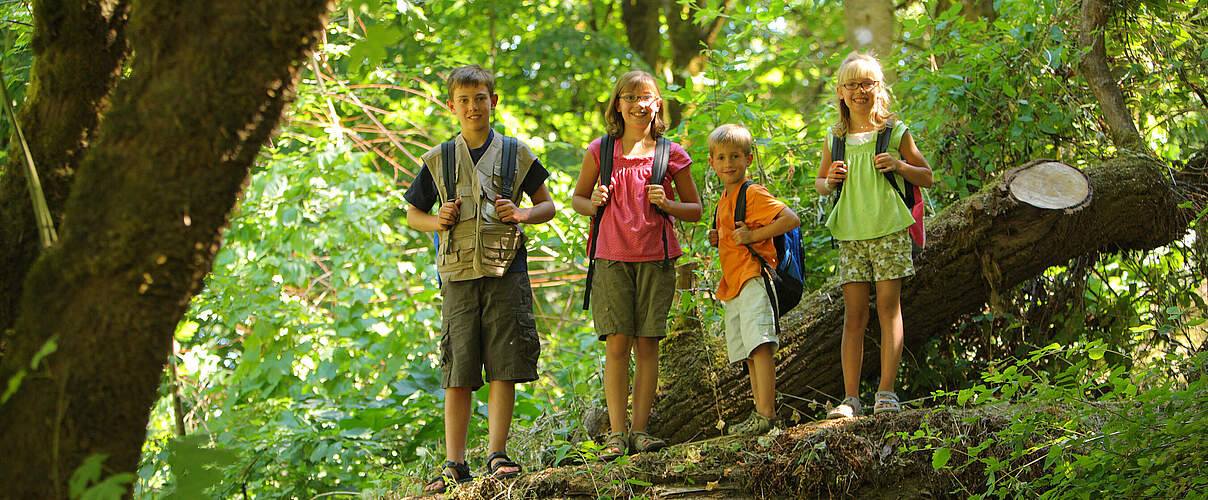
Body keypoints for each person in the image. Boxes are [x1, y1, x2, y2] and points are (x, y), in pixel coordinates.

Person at [404, 64, 555, 493]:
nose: (473, 107)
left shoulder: (515, 153)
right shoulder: (439, 159)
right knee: (459, 367)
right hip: (457, 276)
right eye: (464, 100)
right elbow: (413, 213)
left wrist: (522, 213)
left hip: (507, 271)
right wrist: (436, 220)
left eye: (480, 99)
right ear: (451, 106)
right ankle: (454, 462)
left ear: (493, 101)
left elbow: (547, 206)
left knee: (505, 364)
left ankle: (497, 453)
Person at [571, 70, 702, 458]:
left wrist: (668, 203)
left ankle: (640, 431)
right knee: (617, 343)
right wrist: (593, 202)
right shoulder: (601, 151)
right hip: (610, 258)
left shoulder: (670, 153)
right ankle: (616, 434)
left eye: (646, 97)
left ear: (657, 104)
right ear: (617, 105)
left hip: (656, 260)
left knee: (647, 344)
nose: (638, 104)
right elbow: (577, 200)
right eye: (629, 97)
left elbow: (695, 210)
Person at [814, 52, 933, 418]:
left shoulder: (894, 132)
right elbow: (820, 184)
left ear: (879, 88)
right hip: (850, 233)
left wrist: (898, 165)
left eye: (866, 83)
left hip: (889, 231)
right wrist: (829, 180)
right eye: (851, 84)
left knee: (888, 309)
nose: (859, 91)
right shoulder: (835, 137)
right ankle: (850, 399)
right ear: (840, 92)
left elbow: (926, 175)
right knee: (854, 316)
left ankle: (886, 392)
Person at [705, 124, 800, 435]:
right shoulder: (724, 198)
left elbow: (790, 219)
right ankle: (759, 411)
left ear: (748, 159)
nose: (728, 164)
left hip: (754, 278)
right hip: (734, 284)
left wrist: (752, 236)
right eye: (721, 158)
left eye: (735, 156)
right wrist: (718, 237)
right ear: (712, 162)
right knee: (748, 350)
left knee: (760, 345)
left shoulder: (752, 193)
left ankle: (767, 413)